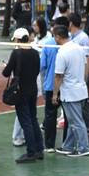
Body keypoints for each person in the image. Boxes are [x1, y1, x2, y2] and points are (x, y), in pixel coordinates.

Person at [3, 28, 45, 163]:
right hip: (33, 89)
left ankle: (31, 152)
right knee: (33, 119)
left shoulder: (16, 53)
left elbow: (6, 72)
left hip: (21, 91)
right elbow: (37, 70)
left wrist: (8, 66)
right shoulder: (34, 52)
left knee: (25, 121)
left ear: (17, 39)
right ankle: (39, 149)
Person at [52, 24, 89, 157]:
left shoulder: (62, 53)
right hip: (81, 90)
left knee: (76, 122)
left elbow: (58, 76)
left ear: (58, 37)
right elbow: (85, 67)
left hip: (70, 93)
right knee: (73, 120)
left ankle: (83, 148)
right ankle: (68, 146)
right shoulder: (79, 48)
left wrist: (55, 93)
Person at [68, 13, 89, 138]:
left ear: (71, 23)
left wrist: (85, 77)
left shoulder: (83, 38)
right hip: (72, 76)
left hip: (81, 76)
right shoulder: (70, 36)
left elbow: (87, 58)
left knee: (84, 103)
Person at [39, 21, 62, 152]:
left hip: (51, 85)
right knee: (69, 115)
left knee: (50, 115)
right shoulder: (70, 44)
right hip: (66, 86)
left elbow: (42, 65)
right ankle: (67, 143)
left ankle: (49, 145)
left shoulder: (48, 44)